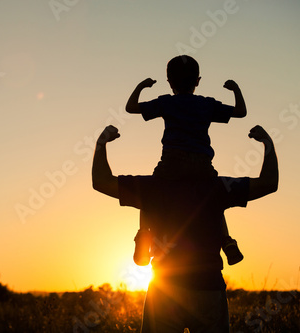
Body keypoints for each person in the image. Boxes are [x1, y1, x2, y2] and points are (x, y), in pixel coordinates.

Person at [92, 124, 278, 332]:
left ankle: (144, 236)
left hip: (165, 289)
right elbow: (268, 183)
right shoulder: (216, 187)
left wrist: (102, 143)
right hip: (208, 286)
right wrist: (267, 143)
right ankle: (227, 241)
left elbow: (101, 181)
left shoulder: (152, 186)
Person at [125, 55, 247, 266]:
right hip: (202, 164)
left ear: (169, 81)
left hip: (172, 162)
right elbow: (240, 112)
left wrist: (142, 86)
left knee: (147, 194)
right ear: (198, 81)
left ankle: (145, 235)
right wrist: (236, 89)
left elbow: (131, 107)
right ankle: (226, 240)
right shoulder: (206, 104)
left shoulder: (167, 102)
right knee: (215, 201)